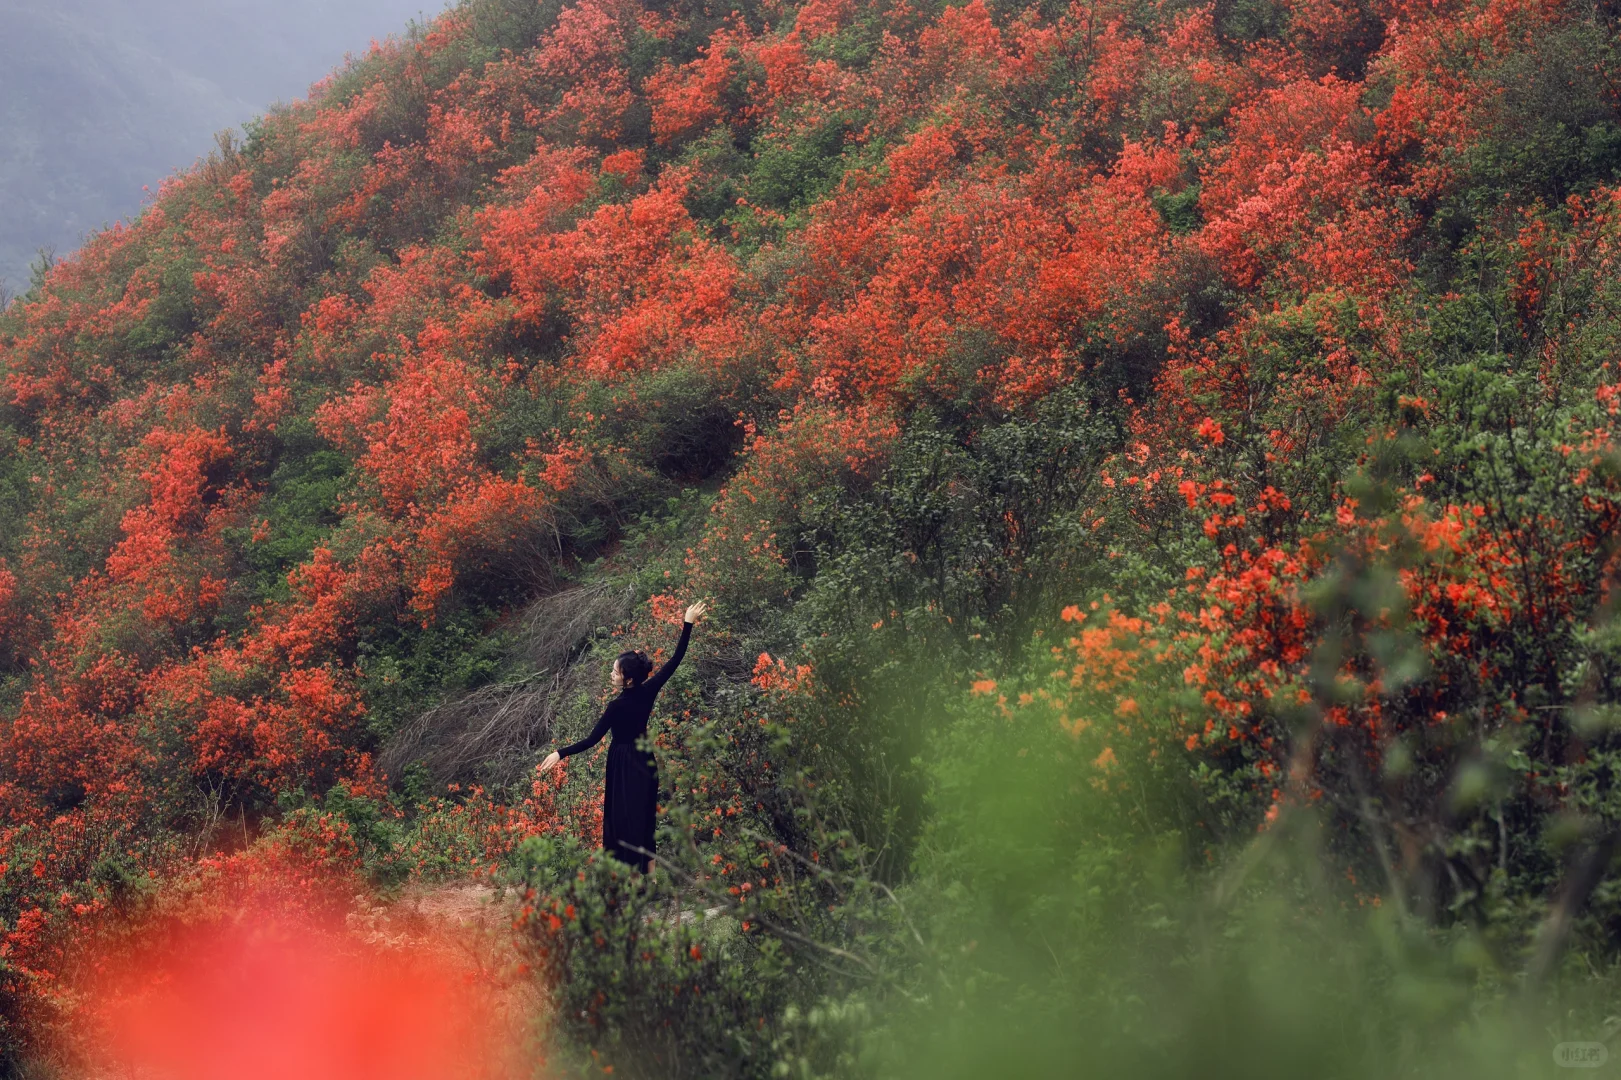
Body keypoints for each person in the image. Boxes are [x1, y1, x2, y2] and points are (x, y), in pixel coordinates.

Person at [538, 600, 707, 871]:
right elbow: (675, 660)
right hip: (645, 759)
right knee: (644, 818)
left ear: (628, 679)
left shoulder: (615, 707)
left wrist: (560, 753)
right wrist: (687, 623)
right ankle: (649, 878)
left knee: (623, 822)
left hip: (623, 764)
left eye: (616, 671)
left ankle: (631, 881)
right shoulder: (648, 689)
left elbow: (592, 740)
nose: (612, 674)